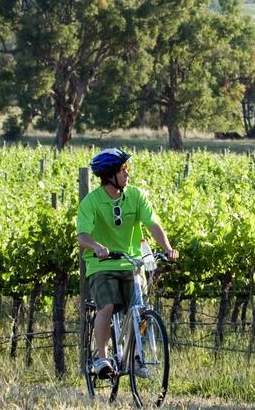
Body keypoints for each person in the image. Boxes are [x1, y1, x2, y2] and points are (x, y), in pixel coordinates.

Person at [77, 147, 179, 377]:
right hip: (102, 265)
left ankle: (134, 356)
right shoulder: (91, 202)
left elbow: (152, 224)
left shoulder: (135, 196)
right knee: (107, 307)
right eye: (123, 170)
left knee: (139, 309)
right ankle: (102, 359)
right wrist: (97, 247)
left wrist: (168, 249)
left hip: (133, 264)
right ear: (110, 175)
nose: (127, 174)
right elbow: (82, 235)